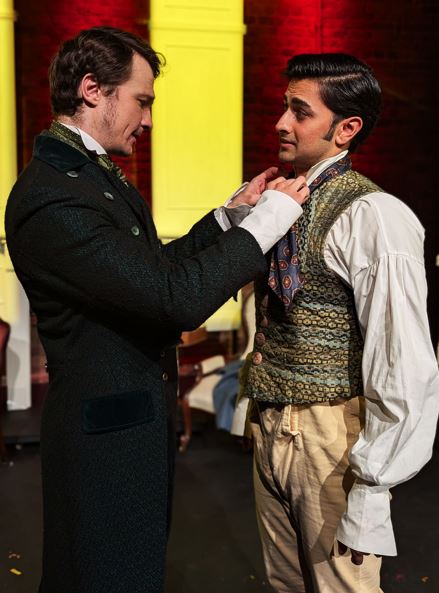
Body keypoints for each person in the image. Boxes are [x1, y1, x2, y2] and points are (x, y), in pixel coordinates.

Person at [5, 27, 310, 593]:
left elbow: (147, 272)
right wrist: (268, 224)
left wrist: (228, 220)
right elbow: (175, 298)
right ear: (92, 90)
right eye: (141, 101)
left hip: (126, 426)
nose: (147, 120)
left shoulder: (85, 175)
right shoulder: (55, 194)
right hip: (104, 443)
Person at [240, 53, 439, 593]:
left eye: (300, 112)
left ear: (346, 129)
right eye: (285, 107)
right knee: (285, 585)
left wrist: (373, 489)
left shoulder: (374, 215)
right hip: (270, 423)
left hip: (330, 439)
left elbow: (401, 357)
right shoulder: (283, 200)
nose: (281, 123)